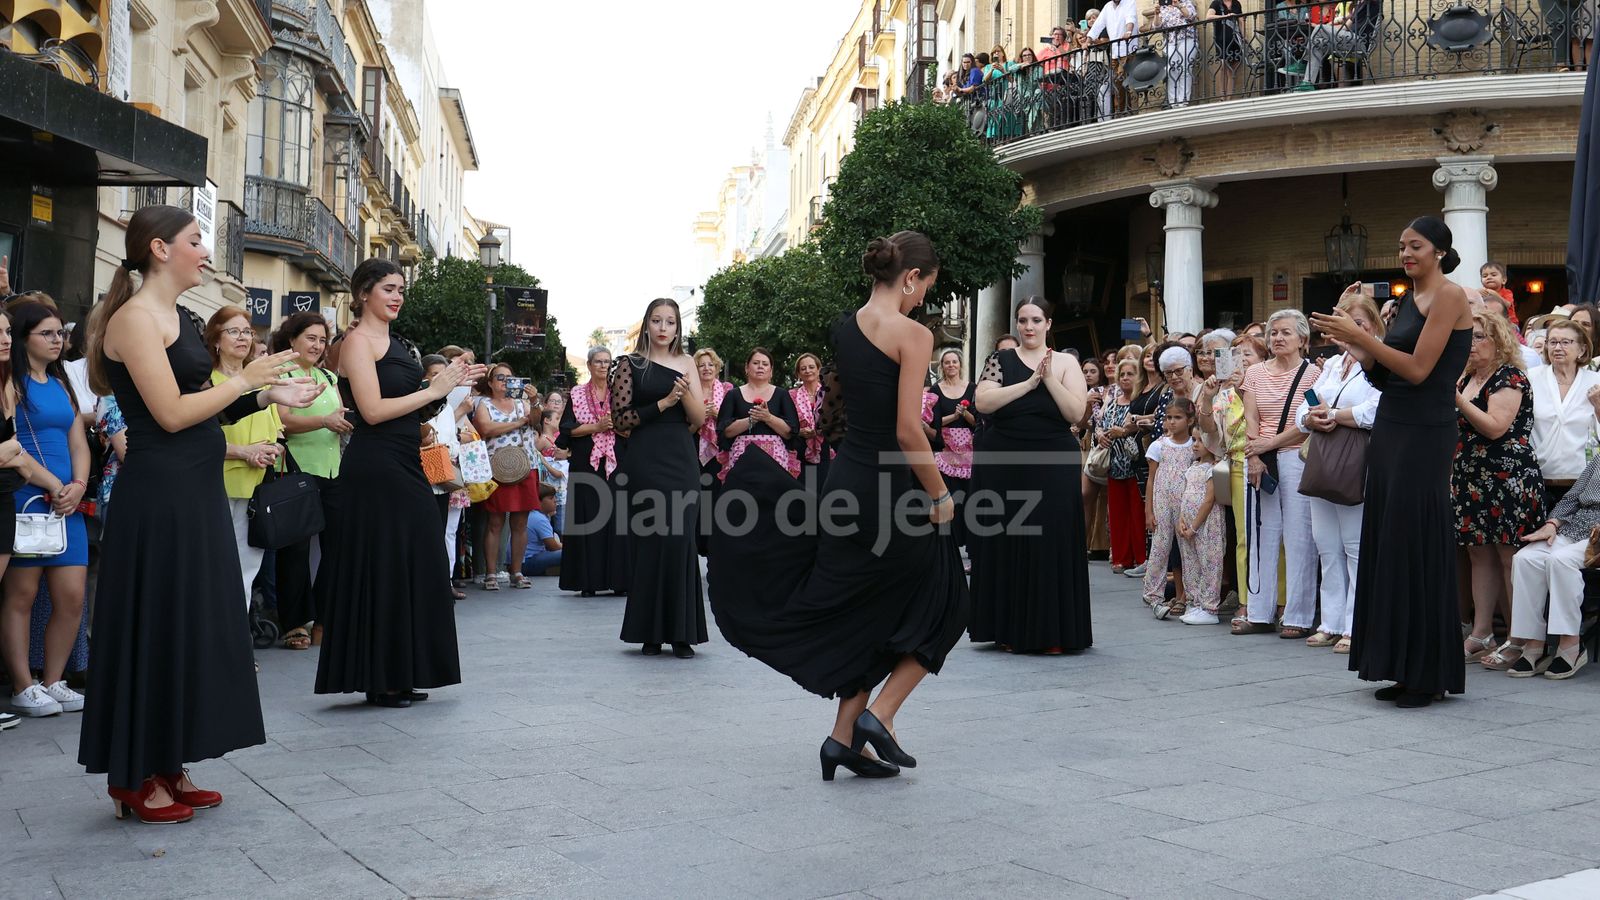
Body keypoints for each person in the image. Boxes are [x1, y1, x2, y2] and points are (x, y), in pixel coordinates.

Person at [78, 204, 320, 822]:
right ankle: (132, 773)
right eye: (195, 240)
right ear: (160, 249)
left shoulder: (177, 317)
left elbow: (202, 407)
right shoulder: (134, 320)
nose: (205, 251)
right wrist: (248, 381)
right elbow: (170, 415)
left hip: (194, 489)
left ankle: (167, 760)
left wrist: (269, 393)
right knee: (156, 625)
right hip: (159, 496)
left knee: (188, 625)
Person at [707, 231, 967, 781]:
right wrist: (940, 494)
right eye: (927, 288)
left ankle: (841, 739)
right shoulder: (913, 334)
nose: (924, 300)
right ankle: (882, 713)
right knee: (946, 599)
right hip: (891, 488)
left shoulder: (846, 328)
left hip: (846, 483)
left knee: (869, 610)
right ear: (912, 278)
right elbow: (906, 428)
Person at [1312, 216, 1476, 708]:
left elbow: (1422, 370)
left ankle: (1427, 673)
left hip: (1424, 431)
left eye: (1416, 246)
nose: (1406, 253)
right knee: (1391, 541)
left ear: (1440, 251)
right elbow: (1389, 376)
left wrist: (1366, 339)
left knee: (1415, 539)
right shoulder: (1407, 301)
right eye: (1402, 245)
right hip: (1393, 425)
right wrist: (1354, 342)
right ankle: (1401, 667)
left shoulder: (1450, 296)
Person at [313, 258, 484, 710]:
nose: (397, 297)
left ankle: (404, 670)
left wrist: (450, 388)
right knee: (386, 565)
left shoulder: (399, 344)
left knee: (415, 562)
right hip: (375, 467)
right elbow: (370, 411)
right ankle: (383, 678)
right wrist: (433, 389)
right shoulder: (355, 343)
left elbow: (412, 409)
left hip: (406, 459)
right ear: (364, 292)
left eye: (402, 290)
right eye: (388, 288)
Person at [970, 297, 1092, 653]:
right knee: (1008, 538)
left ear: (1048, 324)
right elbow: (983, 402)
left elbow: (1075, 412)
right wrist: (1027, 384)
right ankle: (1007, 628)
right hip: (1003, 457)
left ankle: (1053, 631)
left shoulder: (1067, 362)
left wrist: (1048, 378)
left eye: (1036, 320)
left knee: (1050, 537)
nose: (1028, 327)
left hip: (1052, 458)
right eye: (1023, 320)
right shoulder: (1000, 360)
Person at [3, 301, 91, 718]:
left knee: (72, 596)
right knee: (22, 594)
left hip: (66, 502)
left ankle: (54, 680)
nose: (58, 341)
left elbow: (79, 442)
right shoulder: (11, 383)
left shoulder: (61, 382)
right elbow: (13, 446)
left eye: (61, 334)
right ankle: (23, 685)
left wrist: (77, 485)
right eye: (48, 334)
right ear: (24, 338)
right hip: (28, 496)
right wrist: (55, 485)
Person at [610, 298, 706, 659]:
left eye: (670, 321)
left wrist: (683, 396)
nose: (663, 327)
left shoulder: (686, 363)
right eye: (656, 320)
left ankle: (682, 632)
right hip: (645, 459)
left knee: (681, 539)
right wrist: (664, 403)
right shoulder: (629, 365)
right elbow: (621, 421)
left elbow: (698, 419)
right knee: (653, 540)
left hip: (681, 457)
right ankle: (650, 632)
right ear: (646, 324)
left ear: (678, 327)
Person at [1453, 309, 1546, 661]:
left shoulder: (1510, 377)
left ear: (1500, 340)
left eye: (1479, 337)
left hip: (1508, 477)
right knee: (1479, 555)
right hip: (1470, 476)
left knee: (1510, 557)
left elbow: (1495, 427)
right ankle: (1482, 632)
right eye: (1468, 337)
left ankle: (1520, 638)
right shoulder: (1465, 379)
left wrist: (1457, 399)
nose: (1472, 344)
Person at [1296, 291, 1384, 651]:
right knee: (1326, 544)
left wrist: (1332, 415)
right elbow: (1306, 405)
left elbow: (1374, 410)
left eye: (1359, 323)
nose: (1351, 329)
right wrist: (1312, 415)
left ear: (1373, 325)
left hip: (1357, 456)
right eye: (1346, 323)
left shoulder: (1380, 358)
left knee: (1355, 545)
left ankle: (1355, 624)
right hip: (1323, 456)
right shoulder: (1334, 363)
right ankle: (1330, 620)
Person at [1237, 310, 1321, 637]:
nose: (1278, 338)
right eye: (1273, 333)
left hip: (1296, 456)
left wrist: (1266, 445)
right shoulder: (1255, 373)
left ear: (1303, 339)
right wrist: (1256, 454)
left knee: (1299, 536)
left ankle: (1298, 618)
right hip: (1260, 457)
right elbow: (1251, 416)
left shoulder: (1313, 375)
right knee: (1261, 533)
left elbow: (1312, 419)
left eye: (1286, 332)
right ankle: (1259, 613)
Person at [268, 312, 347, 646]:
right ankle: (295, 622)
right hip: (297, 469)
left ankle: (325, 619)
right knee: (295, 552)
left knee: (338, 548)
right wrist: (324, 422)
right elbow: (282, 421)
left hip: (333, 468)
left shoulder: (328, 376)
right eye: (310, 338)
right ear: (292, 340)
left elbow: (339, 415)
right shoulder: (281, 374)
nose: (317, 345)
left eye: (322, 340)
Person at [201, 307, 282, 622]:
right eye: (233, 331)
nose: (243, 338)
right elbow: (197, 437)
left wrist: (272, 450)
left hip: (257, 488)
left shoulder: (261, 383)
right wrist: (243, 452)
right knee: (216, 568)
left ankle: (236, 643)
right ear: (216, 339)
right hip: (217, 484)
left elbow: (276, 432)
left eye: (247, 332)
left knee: (247, 570)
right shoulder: (206, 381)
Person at [1504, 451, 1600, 679]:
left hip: (1597, 536)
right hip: (1574, 526)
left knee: (1560, 561)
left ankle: (1571, 645)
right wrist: (1552, 523)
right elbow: (1571, 498)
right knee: (1525, 559)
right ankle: (1534, 644)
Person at [558, 348, 629, 598]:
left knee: (617, 516)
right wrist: (596, 427)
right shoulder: (576, 393)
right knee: (586, 518)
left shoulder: (621, 393)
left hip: (616, 461)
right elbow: (566, 429)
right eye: (598, 362)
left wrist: (615, 427)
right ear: (589, 365)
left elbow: (632, 426)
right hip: (585, 463)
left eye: (607, 362)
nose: (603, 366)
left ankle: (619, 580)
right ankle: (587, 581)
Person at [471, 363, 542, 591]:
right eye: (499, 377)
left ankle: (517, 571)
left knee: (520, 523)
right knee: (495, 522)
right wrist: (518, 422)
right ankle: (491, 572)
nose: (504, 381)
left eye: (509, 377)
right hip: (498, 467)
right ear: (490, 383)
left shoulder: (523, 404)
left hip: (525, 465)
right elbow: (486, 429)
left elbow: (536, 421)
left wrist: (534, 402)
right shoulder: (483, 404)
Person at [1526, 318, 1600, 516]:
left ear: (1582, 350)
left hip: (1581, 483)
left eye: (1566, 342)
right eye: (1553, 341)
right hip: (1537, 479)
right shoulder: (1530, 378)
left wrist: (1598, 406)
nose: (1558, 347)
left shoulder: (1596, 382)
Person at [1142, 397, 1201, 617]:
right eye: (1169, 418)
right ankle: (1153, 594)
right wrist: (1148, 511)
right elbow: (1151, 479)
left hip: (1185, 503)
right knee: (1160, 545)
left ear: (1190, 419)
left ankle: (1192, 595)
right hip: (1162, 502)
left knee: (1187, 547)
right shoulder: (1159, 445)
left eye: (1178, 417)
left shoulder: (1194, 446)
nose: (1172, 422)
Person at [420, 354, 467, 600]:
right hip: (421, 474)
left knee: (442, 532)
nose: (439, 379)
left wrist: (451, 451)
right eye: (434, 374)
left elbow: (451, 435)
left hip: (443, 474)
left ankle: (440, 583)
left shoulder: (447, 405)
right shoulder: (418, 401)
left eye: (443, 374)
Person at [924, 349, 976, 559]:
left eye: (955, 362)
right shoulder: (936, 390)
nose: (951, 365)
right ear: (942, 366)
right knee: (949, 496)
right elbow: (933, 423)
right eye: (947, 362)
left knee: (971, 497)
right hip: (945, 449)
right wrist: (954, 416)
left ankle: (972, 545)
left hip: (969, 450)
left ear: (960, 365)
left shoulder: (972, 389)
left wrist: (966, 414)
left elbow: (978, 421)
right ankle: (949, 546)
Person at [719, 347, 801, 482]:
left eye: (765, 364)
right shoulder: (733, 395)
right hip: (742, 458)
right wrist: (751, 419)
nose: (760, 367)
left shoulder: (782, 395)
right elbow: (725, 431)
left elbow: (790, 432)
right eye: (756, 363)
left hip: (775, 459)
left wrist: (768, 418)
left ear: (771, 370)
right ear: (747, 367)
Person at [1101, 358, 1148, 575]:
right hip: (1114, 462)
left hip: (1136, 461)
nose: (1126, 378)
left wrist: (1126, 431)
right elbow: (1100, 426)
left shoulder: (1139, 401)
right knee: (1118, 514)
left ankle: (1140, 557)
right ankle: (1120, 558)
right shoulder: (1111, 402)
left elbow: (1142, 426)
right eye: (1122, 375)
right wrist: (1101, 435)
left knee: (1137, 514)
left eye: (1130, 374)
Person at [791, 352, 831, 489]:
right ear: (798, 374)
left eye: (811, 367)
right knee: (804, 490)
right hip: (800, 447)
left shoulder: (830, 393)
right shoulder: (791, 395)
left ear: (818, 369)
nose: (808, 371)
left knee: (826, 488)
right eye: (803, 368)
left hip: (827, 446)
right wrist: (799, 431)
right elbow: (787, 422)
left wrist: (819, 431)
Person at [1151, 0, 1200, 107]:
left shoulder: (1186, 3)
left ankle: (1183, 102)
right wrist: (1156, 13)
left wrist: (1178, 6)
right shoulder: (1163, 8)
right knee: (1171, 70)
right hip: (1170, 41)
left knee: (1185, 69)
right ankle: (1174, 103)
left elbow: (1190, 16)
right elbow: (1156, 26)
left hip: (1187, 38)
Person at [521, 482, 563, 576]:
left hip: (523, 562)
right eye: (551, 498)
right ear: (538, 501)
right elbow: (553, 547)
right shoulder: (539, 519)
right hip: (527, 562)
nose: (555, 501)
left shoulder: (534, 514)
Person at [1208, 0, 1244, 96]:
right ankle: (1222, 97)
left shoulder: (1236, 3)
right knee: (1224, 68)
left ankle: (1229, 98)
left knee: (1233, 70)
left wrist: (1244, 37)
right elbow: (1209, 16)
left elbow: (1241, 21)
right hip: (1221, 40)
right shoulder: (1216, 3)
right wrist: (1225, 16)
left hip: (1235, 40)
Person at [1481, 261, 1519, 328]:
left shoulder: (1507, 292)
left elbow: (1507, 305)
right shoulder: (1482, 293)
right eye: (1485, 276)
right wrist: (1476, 293)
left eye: (1493, 275)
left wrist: (1495, 294)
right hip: (1489, 322)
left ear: (1503, 280)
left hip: (1509, 323)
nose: (1489, 277)